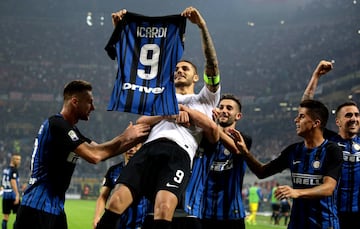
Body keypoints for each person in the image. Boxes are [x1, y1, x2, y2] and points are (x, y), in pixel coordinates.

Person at [96, 6, 221, 229]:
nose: (179, 70)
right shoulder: (160, 96)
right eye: (176, 68)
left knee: (163, 209)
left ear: (195, 76)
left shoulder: (205, 99)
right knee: (115, 201)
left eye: (185, 68)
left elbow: (212, 64)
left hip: (180, 153)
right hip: (149, 149)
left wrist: (202, 27)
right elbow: (142, 122)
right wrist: (170, 113)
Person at [13, 80, 150, 229]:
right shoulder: (57, 125)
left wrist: (135, 139)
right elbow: (94, 156)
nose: (93, 107)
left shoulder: (72, 131)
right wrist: (124, 137)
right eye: (89, 102)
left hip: (54, 208)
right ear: (74, 101)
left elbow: (103, 151)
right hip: (37, 208)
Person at [228, 99, 343, 229]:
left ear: (316, 123)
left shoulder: (332, 150)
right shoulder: (293, 151)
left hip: (324, 224)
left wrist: (297, 192)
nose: (296, 120)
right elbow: (262, 172)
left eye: (301, 116)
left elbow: (328, 188)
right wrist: (245, 152)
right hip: (296, 224)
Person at [302, 60, 360, 229]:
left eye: (357, 115)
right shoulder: (328, 141)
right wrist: (316, 76)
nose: (354, 118)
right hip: (331, 214)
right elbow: (306, 108)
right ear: (338, 121)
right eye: (348, 115)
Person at [184, 93, 252, 229]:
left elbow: (236, 148)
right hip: (203, 213)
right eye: (221, 107)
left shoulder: (244, 140)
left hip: (232, 214)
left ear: (238, 116)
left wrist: (211, 125)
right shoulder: (203, 140)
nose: (224, 110)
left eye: (229, 108)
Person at [93, 143, 152, 229]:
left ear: (142, 148)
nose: (131, 149)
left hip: (142, 224)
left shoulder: (149, 170)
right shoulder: (114, 170)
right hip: (119, 224)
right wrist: (97, 216)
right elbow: (103, 196)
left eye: (135, 146)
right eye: (129, 146)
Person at [1, 154, 21, 229]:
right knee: (19, 215)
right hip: (12, 194)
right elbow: (13, 182)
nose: (19, 161)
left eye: (19, 159)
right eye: (17, 159)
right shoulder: (14, 170)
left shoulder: (6, 169)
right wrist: (17, 195)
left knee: (5, 217)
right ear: (12, 160)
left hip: (5, 194)